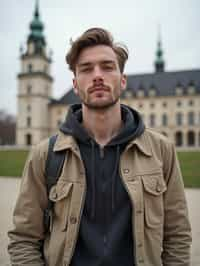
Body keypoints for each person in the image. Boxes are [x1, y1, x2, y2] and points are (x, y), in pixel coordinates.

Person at [8, 28, 191, 266]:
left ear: (123, 80)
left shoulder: (161, 149)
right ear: (75, 84)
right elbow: (23, 239)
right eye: (86, 68)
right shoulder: (45, 155)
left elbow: (177, 236)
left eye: (107, 66)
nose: (97, 75)